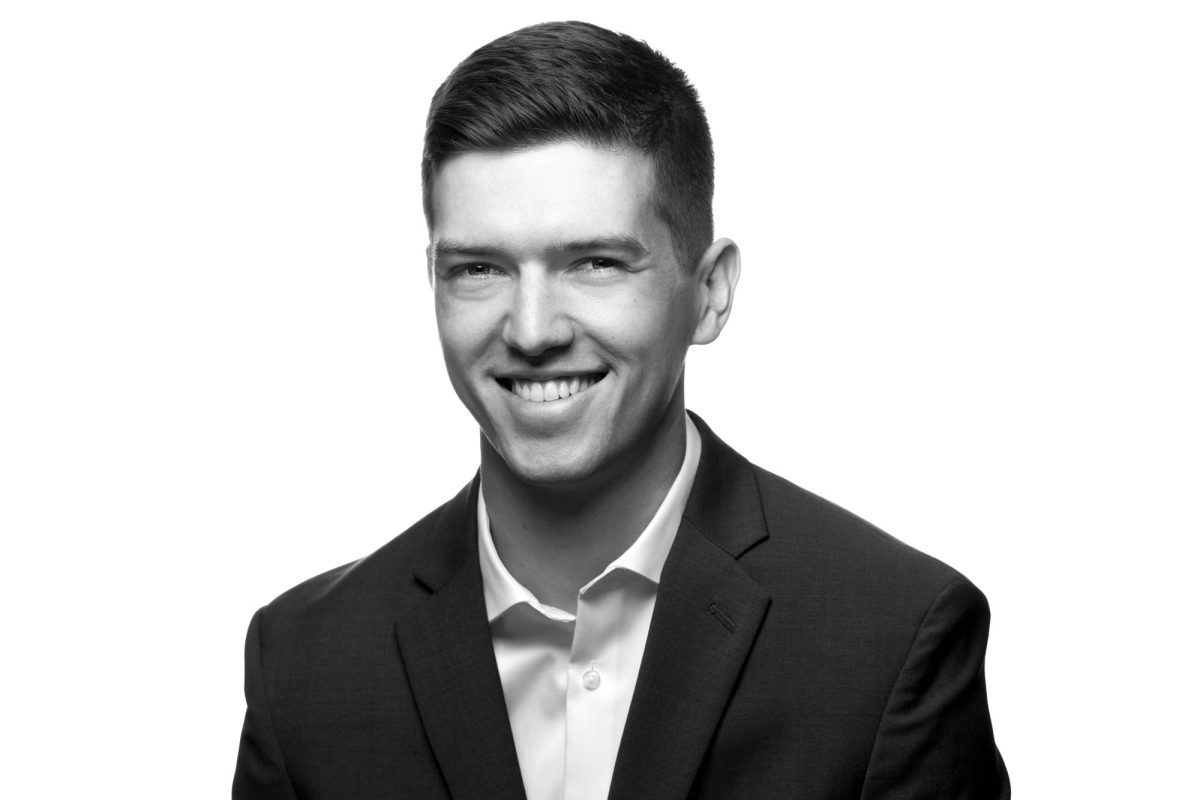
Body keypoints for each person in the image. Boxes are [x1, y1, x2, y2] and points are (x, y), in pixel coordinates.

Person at [233, 20, 1009, 800]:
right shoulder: (304, 667)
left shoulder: (893, 640)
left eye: (595, 263)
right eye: (479, 268)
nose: (532, 330)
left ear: (709, 293)